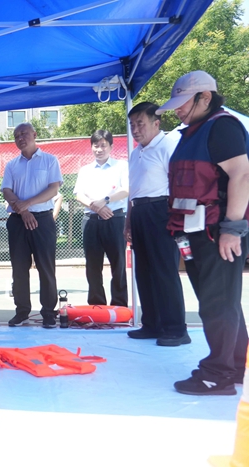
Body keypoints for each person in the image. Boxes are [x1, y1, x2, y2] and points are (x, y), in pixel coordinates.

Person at [156, 70, 249, 396]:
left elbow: (242, 175)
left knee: (217, 304)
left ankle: (217, 375)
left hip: (217, 232)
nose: (177, 110)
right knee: (220, 302)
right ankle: (235, 366)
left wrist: (232, 229)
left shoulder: (221, 127)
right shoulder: (192, 131)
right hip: (195, 232)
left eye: (183, 103)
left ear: (205, 98)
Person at [124, 102, 189, 346]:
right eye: (132, 125)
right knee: (144, 272)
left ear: (156, 123)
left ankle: (176, 329)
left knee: (164, 271)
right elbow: (134, 189)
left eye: (140, 124)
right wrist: (128, 221)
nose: (135, 129)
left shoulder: (168, 145)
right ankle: (151, 324)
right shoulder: (135, 153)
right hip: (139, 211)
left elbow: (179, 184)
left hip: (162, 210)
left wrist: (177, 218)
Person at [1, 123, 63, 328]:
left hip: (43, 220)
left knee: (46, 267)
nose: (20, 138)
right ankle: (22, 312)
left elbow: (53, 189)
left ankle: (48, 313)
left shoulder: (50, 160)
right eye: (16, 135)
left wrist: (28, 204)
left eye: (24, 134)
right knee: (19, 268)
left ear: (35, 135)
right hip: (18, 220)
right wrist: (24, 211)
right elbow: (7, 191)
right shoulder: (12, 165)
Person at [73, 130, 129, 307]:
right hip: (91, 221)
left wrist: (105, 201)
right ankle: (97, 305)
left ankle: (119, 305)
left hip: (115, 219)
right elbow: (78, 194)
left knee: (118, 264)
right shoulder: (85, 170)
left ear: (111, 147)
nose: (99, 149)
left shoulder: (121, 166)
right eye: (96, 145)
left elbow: (126, 190)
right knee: (92, 265)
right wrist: (95, 206)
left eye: (103, 145)